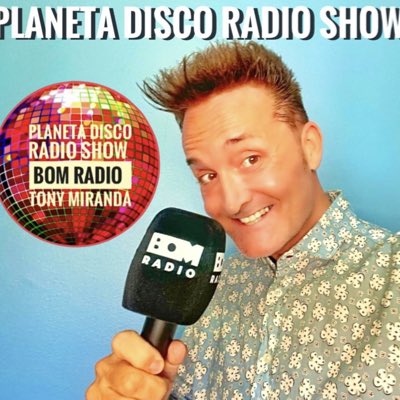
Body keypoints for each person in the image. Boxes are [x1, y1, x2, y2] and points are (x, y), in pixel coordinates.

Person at [86, 41, 400, 399]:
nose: (232, 202)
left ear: (309, 146)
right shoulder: (209, 288)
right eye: (207, 175)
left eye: (251, 159)